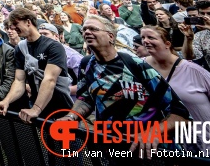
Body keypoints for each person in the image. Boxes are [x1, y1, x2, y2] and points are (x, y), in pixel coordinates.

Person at [62, 15, 189, 158]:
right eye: (84, 30)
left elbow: (180, 113)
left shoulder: (135, 64)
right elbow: (86, 97)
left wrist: (153, 132)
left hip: (150, 151)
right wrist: (71, 117)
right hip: (114, 149)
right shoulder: (86, 64)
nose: (86, 32)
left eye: (93, 29)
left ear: (110, 36)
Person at [141, 25, 210, 160]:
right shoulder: (141, 70)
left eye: (151, 37)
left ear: (167, 44)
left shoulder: (193, 70)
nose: (145, 41)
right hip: (175, 152)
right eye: (143, 37)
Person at [0, 7, 73, 123]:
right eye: (11, 26)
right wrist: (6, 101)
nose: (14, 28)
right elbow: (19, 81)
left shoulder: (53, 46)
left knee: (67, 140)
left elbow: (50, 79)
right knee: (46, 141)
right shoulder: (20, 48)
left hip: (60, 108)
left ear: (28, 22)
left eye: (16, 24)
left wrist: (36, 109)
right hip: (39, 110)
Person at [181, 0, 210, 84]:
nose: (205, 17)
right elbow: (189, 57)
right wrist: (188, 39)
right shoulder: (199, 35)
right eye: (202, 14)